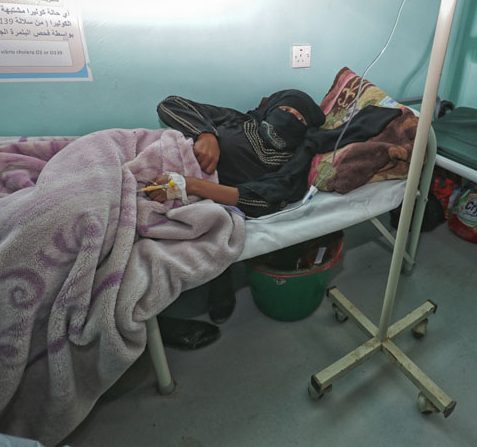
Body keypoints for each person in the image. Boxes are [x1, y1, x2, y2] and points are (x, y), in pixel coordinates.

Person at [148, 89, 401, 349]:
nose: (290, 119)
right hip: (160, 160)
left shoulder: (294, 157)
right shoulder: (240, 120)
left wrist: (191, 185)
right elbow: (170, 104)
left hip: (198, 194)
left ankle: (217, 282)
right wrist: (206, 134)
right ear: (269, 111)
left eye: (300, 119)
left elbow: (265, 200)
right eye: (285, 110)